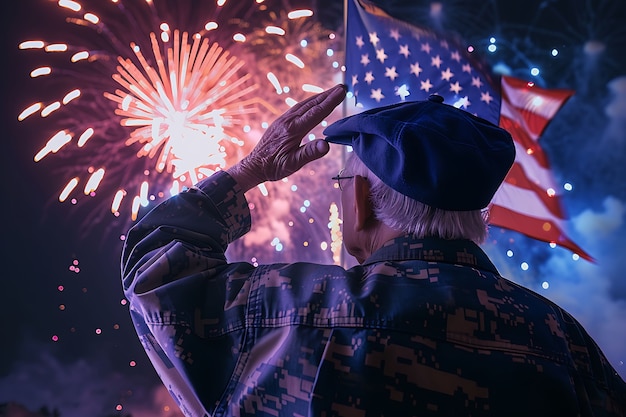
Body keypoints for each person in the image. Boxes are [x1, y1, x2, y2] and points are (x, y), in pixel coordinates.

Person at [121, 84, 626, 417]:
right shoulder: (565, 343)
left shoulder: (291, 311)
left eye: (344, 182)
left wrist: (249, 171)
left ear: (360, 203)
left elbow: (154, 270)